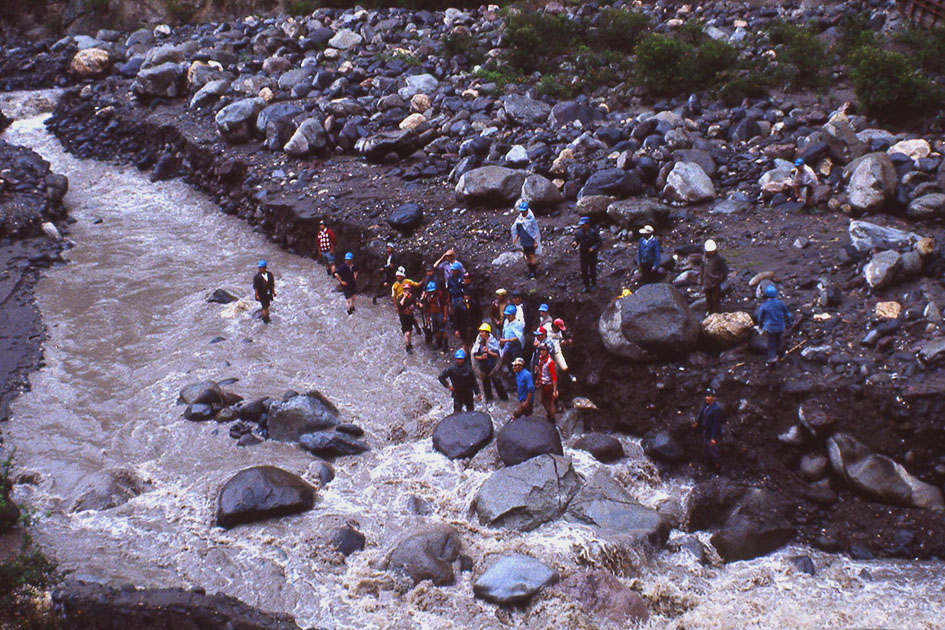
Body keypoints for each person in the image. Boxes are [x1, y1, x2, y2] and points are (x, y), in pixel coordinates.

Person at [754, 284, 792, 365]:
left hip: (770, 328)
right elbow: (787, 314)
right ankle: (780, 355)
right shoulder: (781, 304)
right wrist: (789, 323)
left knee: (771, 343)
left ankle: (772, 358)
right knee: (778, 340)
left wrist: (760, 326)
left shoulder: (765, 305)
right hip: (780, 326)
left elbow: (760, 317)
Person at [471, 323, 508, 402]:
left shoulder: (493, 342)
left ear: (487, 332)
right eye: (480, 332)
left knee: (497, 383)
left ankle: (504, 399)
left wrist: (488, 351)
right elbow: (474, 355)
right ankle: (489, 399)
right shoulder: (479, 342)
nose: (481, 333)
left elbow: (497, 355)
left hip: (492, 367)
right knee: (486, 384)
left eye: (482, 332)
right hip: (483, 367)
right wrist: (481, 357)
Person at [438, 348, 482, 413]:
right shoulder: (452, 369)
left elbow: (474, 382)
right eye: (458, 359)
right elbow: (441, 377)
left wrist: (478, 393)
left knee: (470, 412)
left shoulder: (468, 369)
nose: (459, 361)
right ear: (456, 359)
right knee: (456, 413)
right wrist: (448, 386)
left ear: (464, 359)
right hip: (457, 393)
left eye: (461, 359)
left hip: (468, 394)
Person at [510, 201, 542, 279]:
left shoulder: (531, 219)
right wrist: (516, 238)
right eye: (522, 211)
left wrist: (535, 241)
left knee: (531, 256)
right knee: (527, 256)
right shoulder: (520, 219)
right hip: (524, 241)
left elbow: (535, 231)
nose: (523, 212)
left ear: (527, 210)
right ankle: (530, 271)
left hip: (530, 241)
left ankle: (533, 272)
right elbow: (518, 229)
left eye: (524, 211)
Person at [693, 388, 723, 468]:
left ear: (713, 397)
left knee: (714, 453)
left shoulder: (716, 409)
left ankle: (718, 470)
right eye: (706, 395)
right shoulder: (706, 406)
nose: (706, 398)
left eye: (709, 396)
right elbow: (702, 417)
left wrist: (713, 438)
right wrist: (697, 424)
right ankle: (709, 468)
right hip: (705, 433)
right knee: (706, 451)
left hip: (711, 435)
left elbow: (716, 425)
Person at [572, 216, 601, 292]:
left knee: (592, 270)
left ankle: (594, 284)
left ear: (587, 224)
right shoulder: (579, 232)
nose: (582, 226)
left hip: (592, 255)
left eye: (583, 225)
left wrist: (593, 248)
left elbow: (599, 243)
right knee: (584, 271)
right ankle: (586, 285)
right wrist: (575, 242)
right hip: (583, 254)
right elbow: (576, 238)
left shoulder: (593, 233)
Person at [700, 239, 729, 314]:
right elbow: (702, 269)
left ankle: (716, 314)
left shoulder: (719, 258)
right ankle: (710, 312)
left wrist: (720, 279)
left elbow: (725, 270)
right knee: (708, 299)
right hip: (707, 283)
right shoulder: (704, 258)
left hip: (715, 283)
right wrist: (701, 280)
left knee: (715, 300)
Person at [422, 280, 450, 352]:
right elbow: (427, 307)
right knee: (436, 329)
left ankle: (445, 346)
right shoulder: (428, 296)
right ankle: (439, 343)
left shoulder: (440, 295)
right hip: (432, 314)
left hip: (440, 314)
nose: (431, 292)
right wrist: (427, 317)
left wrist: (445, 316)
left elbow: (444, 306)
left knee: (443, 330)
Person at [533, 344, 558, 422]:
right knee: (544, 401)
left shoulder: (550, 362)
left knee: (550, 402)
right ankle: (550, 415)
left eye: (544, 350)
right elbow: (540, 371)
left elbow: (554, 377)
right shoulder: (540, 359)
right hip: (543, 383)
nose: (542, 352)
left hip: (549, 385)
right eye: (541, 350)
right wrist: (537, 380)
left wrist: (554, 390)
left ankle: (553, 418)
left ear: (547, 351)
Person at [547, 318, 575, 382]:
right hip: (546, 352)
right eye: (558, 328)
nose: (559, 330)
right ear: (554, 326)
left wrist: (566, 342)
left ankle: (568, 376)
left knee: (564, 367)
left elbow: (560, 342)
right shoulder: (546, 328)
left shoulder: (559, 332)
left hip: (557, 351)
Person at [446, 262, 468, 343]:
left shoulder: (462, 278)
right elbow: (448, 289)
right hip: (454, 298)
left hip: (460, 297)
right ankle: (455, 328)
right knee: (455, 313)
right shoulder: (450, 278)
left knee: (463, 312)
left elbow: (464, 288)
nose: (452, 271)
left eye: (453, 270)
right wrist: (449, 300)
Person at [397, 284, 420, 354]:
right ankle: (407, 347)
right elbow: (400, 305)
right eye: (405, 289)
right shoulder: (400, 297)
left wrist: (419, 304)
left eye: (408, 289)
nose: (406, 291)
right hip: (403, 317)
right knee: (406, 333)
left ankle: (409, 343)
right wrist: (404, 297)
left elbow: (415, 303)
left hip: (410, 316)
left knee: (409, 331)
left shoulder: (412, 296)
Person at [499, 304, 525, 369]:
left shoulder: (518, 324)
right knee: (507, 359)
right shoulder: (506, 321)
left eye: (509, 315)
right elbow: (504, 331)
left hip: (515, 346)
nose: (507, 316)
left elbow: (518, 337)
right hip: (507, 345)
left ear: (513, 315)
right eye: (506, 315)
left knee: (517, 360)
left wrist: (507, 340)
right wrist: (503, 340)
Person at [253, 259, 276, 324]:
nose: (260, 269)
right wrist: (257, 295)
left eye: (261, 268)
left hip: (268, 293)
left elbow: (272, 284)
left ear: (265, 268)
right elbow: (256, 287)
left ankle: (266, 317)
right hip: (261, 293)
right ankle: (265, 319)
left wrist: (273, 292)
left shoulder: (270, 275)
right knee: (264, 306)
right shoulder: (257, 277)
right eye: (259, 268)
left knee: (267, 305)